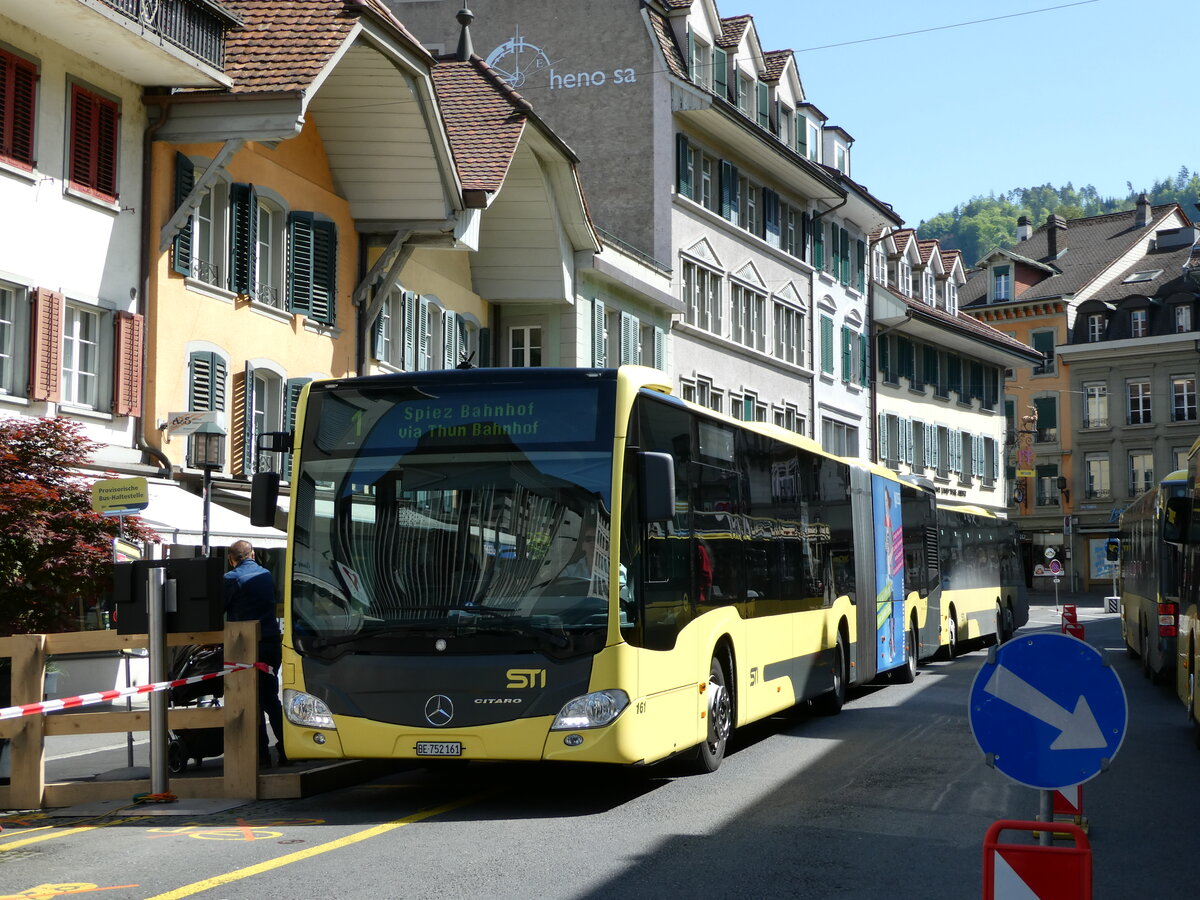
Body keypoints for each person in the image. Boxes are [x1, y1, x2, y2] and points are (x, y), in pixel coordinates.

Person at [223, 540, 288, 767]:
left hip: (246, 646)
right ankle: (286, 749)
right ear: (252, 555)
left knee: (252, 701)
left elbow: (219, 607)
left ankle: (261, 755)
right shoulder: (266, 575)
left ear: (231, 559)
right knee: (270, 698)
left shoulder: (231, 579)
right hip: (271, 643)